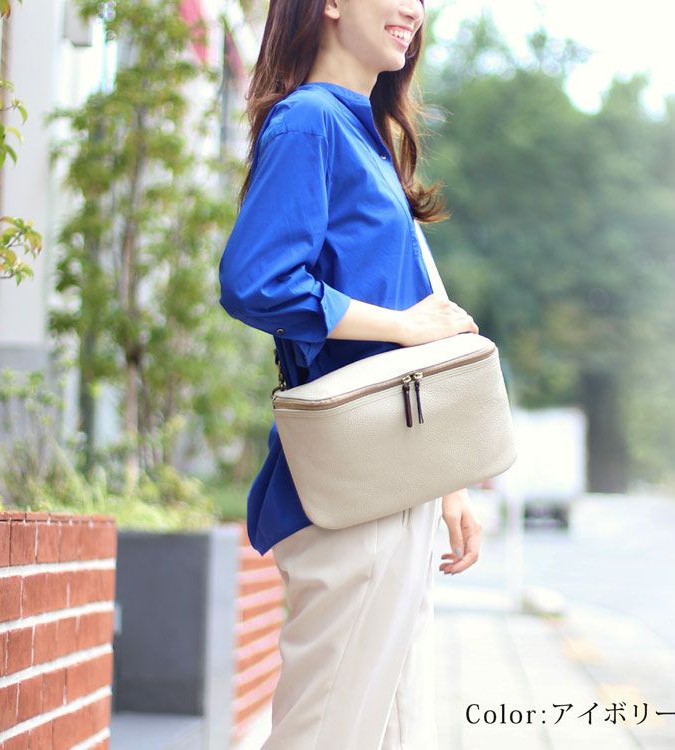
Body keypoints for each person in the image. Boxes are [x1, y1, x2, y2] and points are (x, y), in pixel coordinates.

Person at [218, 1, 484, 746]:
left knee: (390, 730)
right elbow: (255, 281)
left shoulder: (363, 135)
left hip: (394, 477)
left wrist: (449, 481)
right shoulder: (310, 121)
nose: (414, 9)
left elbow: (417, 311)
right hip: (355, 488)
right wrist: (401, 326)